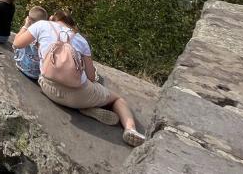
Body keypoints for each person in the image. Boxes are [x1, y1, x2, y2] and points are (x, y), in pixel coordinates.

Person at [12, 10, 146, 147]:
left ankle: (85, 107)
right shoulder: (81, 40)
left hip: (47, 87)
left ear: (52, 18)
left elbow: (16, 43)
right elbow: (91, 77)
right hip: (79, 96)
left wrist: (26, 25)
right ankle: (130, 129)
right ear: (71, 25)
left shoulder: (41, 25)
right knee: (117, 99)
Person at [13, 6, 48, 80]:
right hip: (37, 73)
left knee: (20, 41)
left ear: (29, 19)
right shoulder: (45, 35)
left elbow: (15, 44)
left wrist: (26, 25)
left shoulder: (31, 32)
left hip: (24, 68)